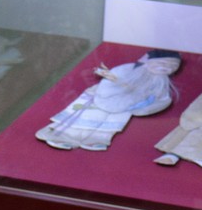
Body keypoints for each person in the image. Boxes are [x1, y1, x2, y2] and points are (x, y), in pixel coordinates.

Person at [35, 49, 181, 151]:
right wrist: (108, 97)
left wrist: (143, 108)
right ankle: (63, 136)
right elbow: (108, 84)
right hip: (102, 97)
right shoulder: (126, 69)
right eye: (163, 63)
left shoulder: (160, 81)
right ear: (147, 60)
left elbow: (163, 99)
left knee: (111, 123)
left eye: (172, 66)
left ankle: (96, 139)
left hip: (128, 106)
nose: (166, 68)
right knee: (88, 116)